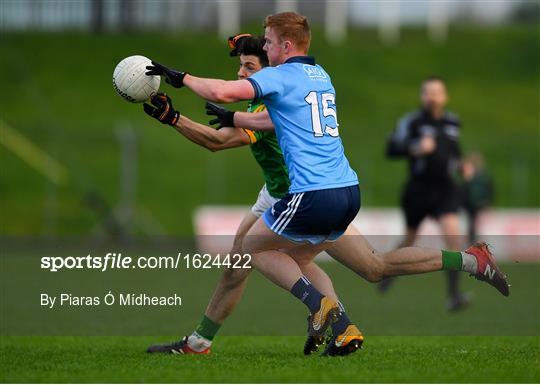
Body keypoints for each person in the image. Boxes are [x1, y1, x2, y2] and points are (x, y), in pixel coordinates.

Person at [142, 14, 510, 356]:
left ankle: (322, 309)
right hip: (345, 190)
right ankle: (468, 262)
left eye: (265, 47)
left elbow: (223, 114)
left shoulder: (278, 79)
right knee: (368, 267)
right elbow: (275, 118)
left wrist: (180, 81)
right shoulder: (320, 76)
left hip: (303, 195)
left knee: (251, 250)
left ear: (286, 46)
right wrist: (234, 115)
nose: (258, 57)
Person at [383, 77, 471, 311]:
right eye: (428, 92)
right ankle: (385, 271)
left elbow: (454, 152)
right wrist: (416, 148)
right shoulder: (412, 122)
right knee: (409, 240)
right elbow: (391, 149)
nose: (432, 96)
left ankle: (454, 295)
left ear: (445, 96)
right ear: (422, 96)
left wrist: (462, 166)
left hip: (445, 189)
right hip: (418, 190)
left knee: (454, 239)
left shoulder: (453, 122)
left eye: (437, 92)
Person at [462, 152, 494, 243]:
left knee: (475, 226)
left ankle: (476, 244)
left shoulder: (482, 177)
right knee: (473, 226)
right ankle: (473, 243)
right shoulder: (471, 176)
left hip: (477, 204)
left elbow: (489, 189)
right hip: (471, 205)